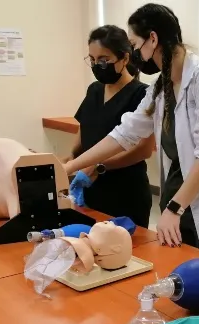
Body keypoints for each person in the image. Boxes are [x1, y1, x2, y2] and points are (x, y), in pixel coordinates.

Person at [65, 3, 199, 260]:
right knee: (178, 273)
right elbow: (125, 133)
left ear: (152, 39)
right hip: (176, 198)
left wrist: (175, 208)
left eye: (134, 45)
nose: (133, 53)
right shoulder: (161, 87)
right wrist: (70, 166)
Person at [66, 25, 155, 228]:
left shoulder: (141, 94)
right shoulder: (94, 90)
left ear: (124, 58)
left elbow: (143, 150)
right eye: (93, 60)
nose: (98, 65)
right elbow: (84, 127)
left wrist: (98, 167)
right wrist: (72, 161)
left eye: (104, 60)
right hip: (90, 188)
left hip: (125, 192)